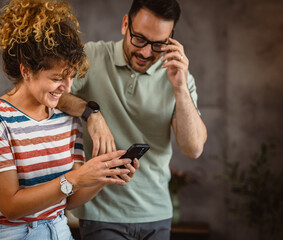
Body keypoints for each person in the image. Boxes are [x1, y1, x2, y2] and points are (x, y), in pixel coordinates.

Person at [0, 0, 138, 239]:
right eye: (57, 78)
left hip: (59, 229)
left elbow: (69, 201)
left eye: (71, 78)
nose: (67, 88)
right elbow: (12, 207)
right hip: (10, 233)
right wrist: (76, 177)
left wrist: (102, 176)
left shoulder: (68, 120)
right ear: (26, 71)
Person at [57, 0, 207, 239]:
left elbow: (194, 148)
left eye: (158, 44)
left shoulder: (179, 76)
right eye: (139, 39)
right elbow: (53, 94)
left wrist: (180, 88)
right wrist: (90, 112)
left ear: (171, 38)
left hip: (157, 213)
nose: (146, 52)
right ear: (125, 24)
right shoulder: (93, 55)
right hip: (101, 214)